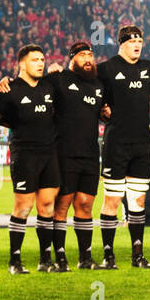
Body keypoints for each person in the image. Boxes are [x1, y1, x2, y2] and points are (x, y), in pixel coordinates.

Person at [0, 45, 61, 274]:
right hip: (24, 154)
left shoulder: (49, 86)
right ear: (22, 64)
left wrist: (58, 70)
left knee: (47, 207)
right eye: (35, 60)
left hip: (49, 153)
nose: (40, 63)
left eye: (42, 59)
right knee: (23, 207)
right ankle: (15, 261)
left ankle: (45, 260)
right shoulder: (9, 89)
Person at [96, 25, 150, 269]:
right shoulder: (106, 69)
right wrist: (100, 108)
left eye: (140, 41)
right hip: (116, 143)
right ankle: (108, 256)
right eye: (132, 41)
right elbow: (85, 91)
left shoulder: (148, 69)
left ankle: (137, 255)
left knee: (138, 202)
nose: (137, 45)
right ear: (121, 43)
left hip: (142, 144)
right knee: (112, 200)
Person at [52, 41, 104, 271]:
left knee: (85, 205)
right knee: (61, 206)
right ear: (72, 59)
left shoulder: (98, 85)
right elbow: (31, 87)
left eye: (90, 55)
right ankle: (60, 257)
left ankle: (85, 258)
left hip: (91, 155)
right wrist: (7, 80)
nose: (87, 59)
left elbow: (106, 111)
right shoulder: (59, 79)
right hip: (65, 154)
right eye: (82, 55)